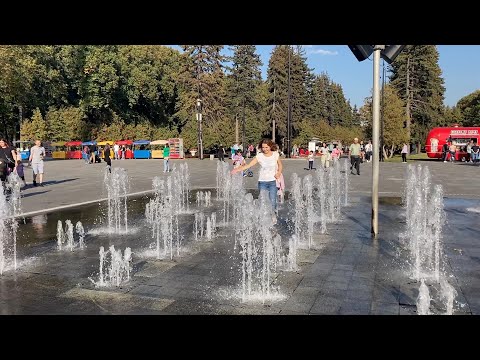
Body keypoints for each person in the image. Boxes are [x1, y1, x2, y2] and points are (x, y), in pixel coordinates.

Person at [231, 138, 283, 220]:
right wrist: (237, 169)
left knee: (273, 201)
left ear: (270, 146)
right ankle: (263, 218)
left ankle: (273, 216)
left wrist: (279, 173)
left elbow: (280, 165)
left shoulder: (275, 155)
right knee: (263, 201)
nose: (264, 149)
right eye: (263, 147)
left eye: (266, 147)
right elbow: (249, 165)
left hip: (272, 182)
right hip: (262, 182)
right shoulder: (259, 156)